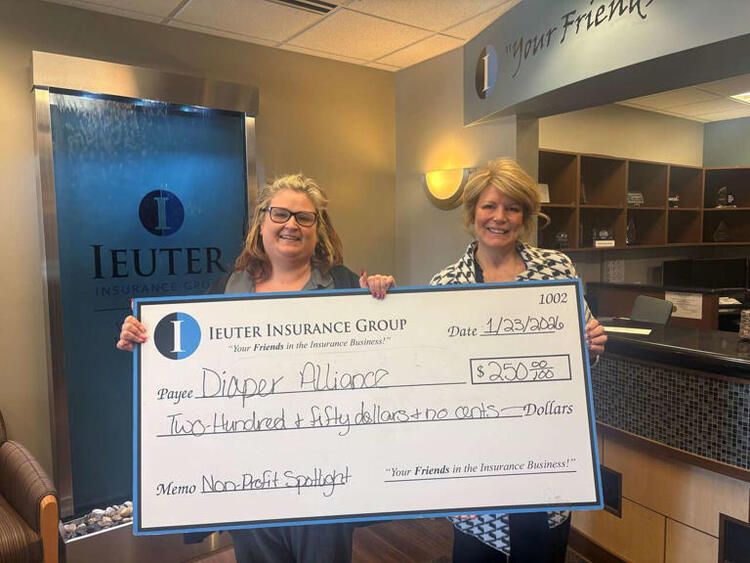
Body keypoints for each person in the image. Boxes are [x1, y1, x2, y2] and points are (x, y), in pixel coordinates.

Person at [118, 173, 394, 563]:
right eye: (280, 214)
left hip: (325, 478)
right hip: (248, 478)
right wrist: (143, 340)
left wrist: (384, 301)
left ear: (318, 230)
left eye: (304, 217)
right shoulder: (226, 288)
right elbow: (190, 368)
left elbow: (384, 361)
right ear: (261, 223)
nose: (291, 224)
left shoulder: (347, 287)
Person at [429, 158, 607, 563]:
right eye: (489, 206)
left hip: (545, 450)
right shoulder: (446, 284)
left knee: (541, 548)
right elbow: (438, 384)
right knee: (478, 553)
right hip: (477, 459)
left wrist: (592, 345)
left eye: (512, 208)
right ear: (472, 212)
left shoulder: (556, 269)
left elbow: (579, 349)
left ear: (525, 216)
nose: (500, 217)